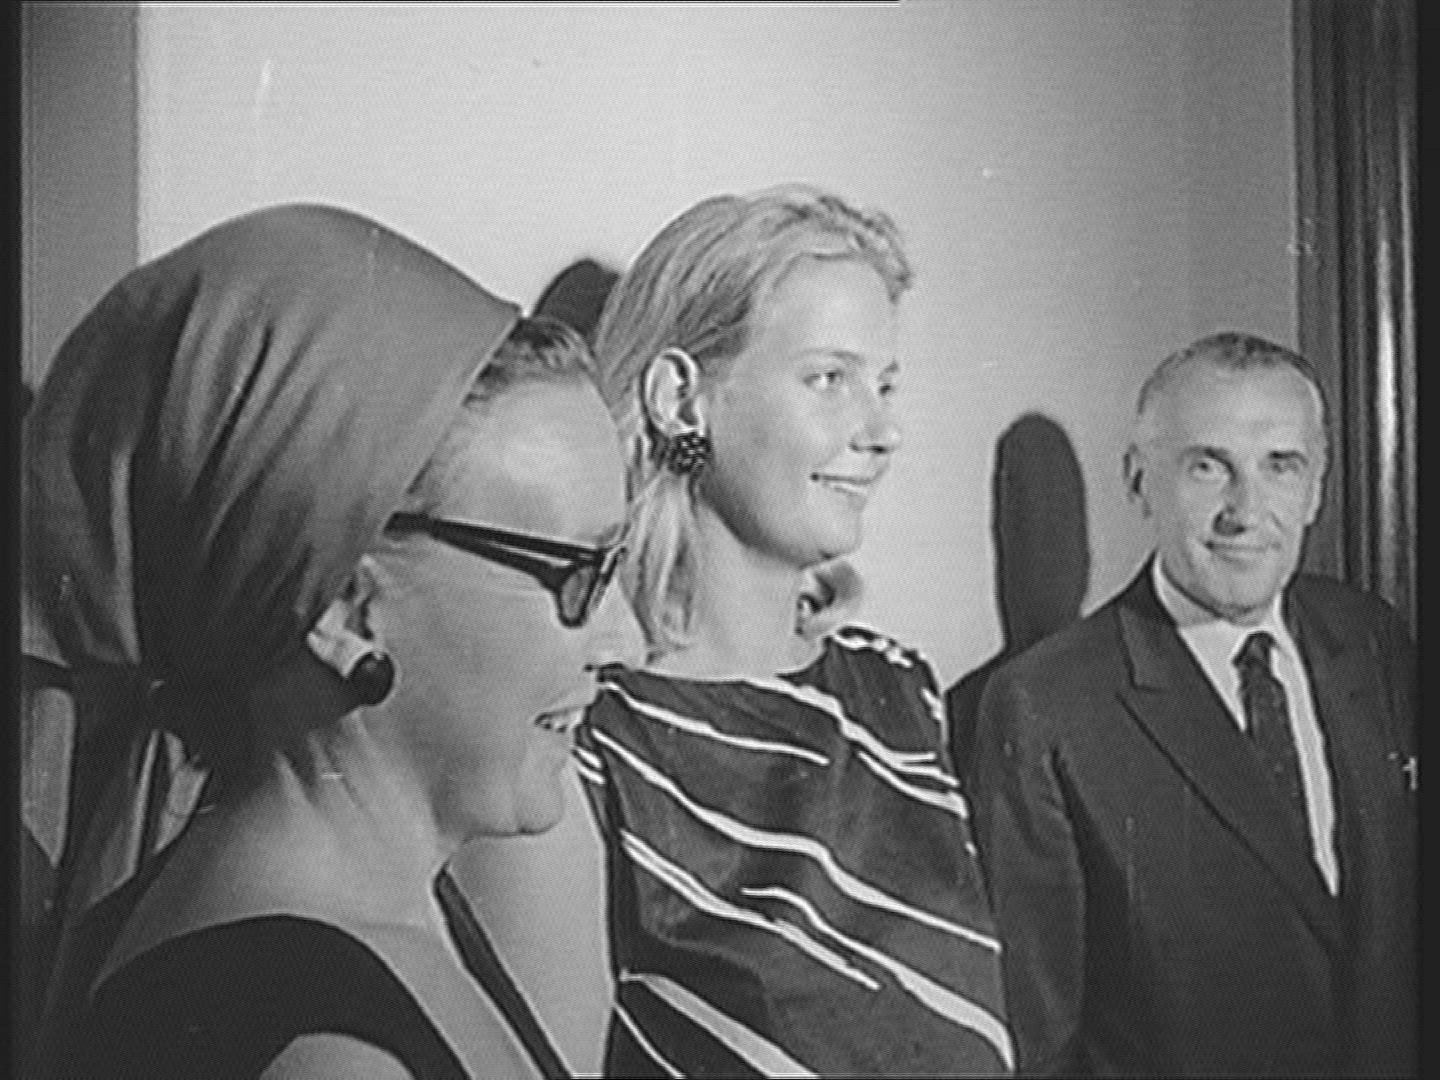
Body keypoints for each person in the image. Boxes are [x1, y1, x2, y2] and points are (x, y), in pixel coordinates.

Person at [22, 203, 638, 1079]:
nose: (626, 639)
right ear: (346, 611)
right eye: (580, 573)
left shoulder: (383, 908)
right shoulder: (324, 1052)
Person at [575, 184, 1014, 1077]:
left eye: (883, 385)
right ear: (681, 398)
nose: (883, 432)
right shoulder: (588, 734)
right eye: (828, 379)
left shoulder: (899, 694)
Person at [971, 332, 1417, 1077]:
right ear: (1139, 481)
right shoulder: (1044, 705)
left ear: (1316, 489)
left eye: (1281, 466)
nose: (1247, 511)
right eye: (1209, 467)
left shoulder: (1370, 639)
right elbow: (1040, 1044)